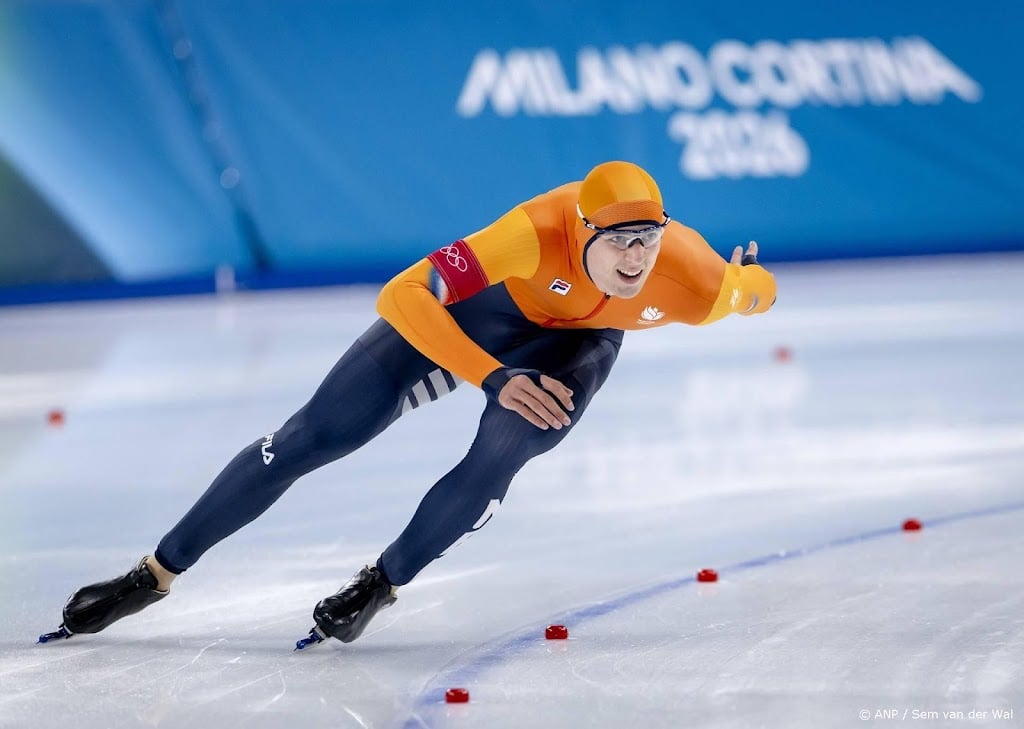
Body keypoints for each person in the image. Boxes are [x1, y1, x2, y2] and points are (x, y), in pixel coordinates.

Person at [40, 160, 776, 648]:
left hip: (574, 351)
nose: (637, 260)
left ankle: (382, 581)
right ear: (582, 229)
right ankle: (154, 572)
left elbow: (754, 291)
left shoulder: (690, 278)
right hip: (479, 323)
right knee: (309, 436)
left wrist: (746, 287)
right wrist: (490, 373)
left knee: (503, 450)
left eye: (648, 240)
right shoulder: (531, 233)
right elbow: (402, 294)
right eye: (621, 242)